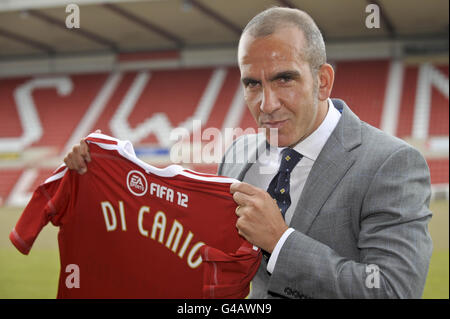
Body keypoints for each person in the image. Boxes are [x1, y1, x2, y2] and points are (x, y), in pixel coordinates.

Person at [64, 7, 433, 299]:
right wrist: (103, 172)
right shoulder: (240, 153)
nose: (266, 104)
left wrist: (281, 241)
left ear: (322, 81)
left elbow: (392, 290)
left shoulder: (390, 163)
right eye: (252, 84)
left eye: (284, 79)